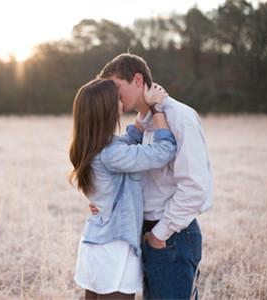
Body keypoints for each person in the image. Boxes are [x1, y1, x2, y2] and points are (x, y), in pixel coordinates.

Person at [90, 53, 213, 300]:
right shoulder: (144, 123)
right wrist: (107, 200)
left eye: (116, 87)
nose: (113, 97)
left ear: (137, 79)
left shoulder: (179, 116)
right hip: (143, 232)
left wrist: (159, 235)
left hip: (172, 236)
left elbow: (195, 187)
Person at [69, 78, 177, 299]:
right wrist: (156, 109)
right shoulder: (112, 154)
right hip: (114, 249)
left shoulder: (95, 146)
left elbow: (127, 140)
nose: (122, 101)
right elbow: (164, 151)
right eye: (117, 98)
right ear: (107, 109)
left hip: (98, 243)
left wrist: (142, 115)